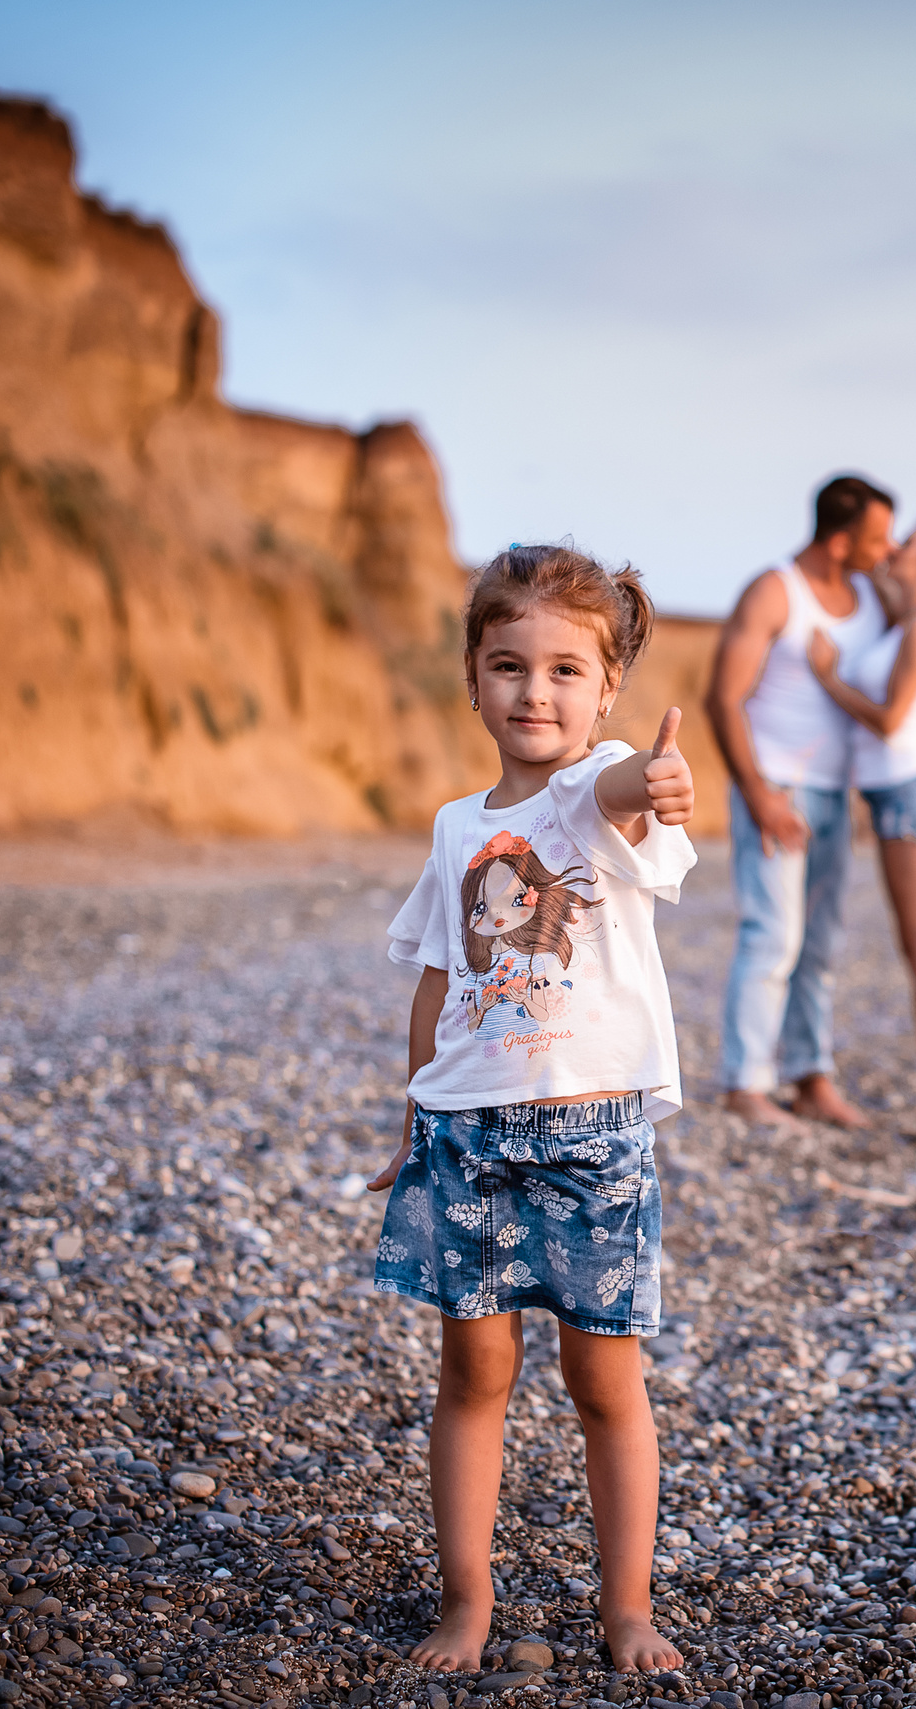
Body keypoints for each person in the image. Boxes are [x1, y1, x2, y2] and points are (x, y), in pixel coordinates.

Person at [366, 544, 697, 1677]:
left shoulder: (601, 792)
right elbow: (433, 980)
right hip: (465, 1138)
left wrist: (650, 785)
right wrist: (413, 1118)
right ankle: (467, 1601)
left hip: (593, 1139)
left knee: (605, 1382)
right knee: (474, 1377)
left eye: (565, 670)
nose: (534, 692)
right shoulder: (460, 827)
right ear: (472, 677)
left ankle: (628, 1608)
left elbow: (610, 793)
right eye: (509, 665)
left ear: (606, 691)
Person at [704, 473, 895, 1128]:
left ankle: (812, 1079)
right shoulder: (773, 590)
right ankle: (746, 1084)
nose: (888, 548)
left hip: (834, 793)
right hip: (775, 787)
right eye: (878, 536)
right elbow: (722, 697)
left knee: (822, 942)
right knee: (773, 936)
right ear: (840, 541)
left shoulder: (873, 596)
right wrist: (757, 794)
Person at [807, 521, 916, 1144]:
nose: (894, 551)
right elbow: (878, 577)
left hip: (911, 793)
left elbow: (889, 720)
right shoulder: (913, 617)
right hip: (895, 796)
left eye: (907, 546)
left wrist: (829, 678)